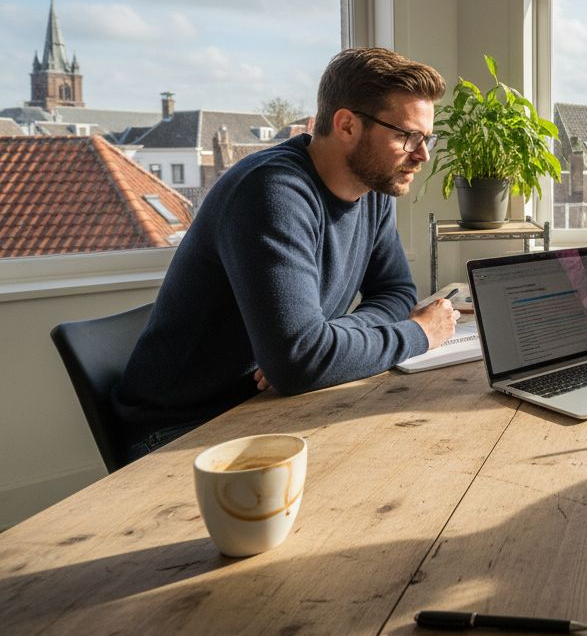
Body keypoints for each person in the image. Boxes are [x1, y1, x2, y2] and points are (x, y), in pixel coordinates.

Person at [114, 47, 458, 460]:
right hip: (184, 428)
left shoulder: (374, 188)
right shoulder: (270, 193)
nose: (421, 155)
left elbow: (396, 291)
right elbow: (301, 362)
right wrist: (420, 333)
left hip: (275, 404)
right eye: (407, 136)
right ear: (347, 124)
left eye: (427, 138)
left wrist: (331, 345)